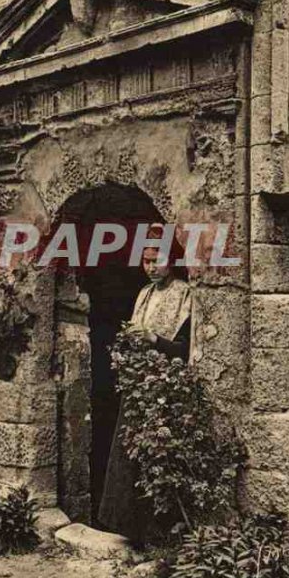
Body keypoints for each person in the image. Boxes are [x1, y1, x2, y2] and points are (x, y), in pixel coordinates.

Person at [98, 231, 192, 544]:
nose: (151, 267)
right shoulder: (144, 294)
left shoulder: (184, 294)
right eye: (146, 260)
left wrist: (154, 339)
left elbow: (185, 348)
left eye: (157, 260)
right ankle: (126, 529)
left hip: (166, 385)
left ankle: (158, 536)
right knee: (128, 453)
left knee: (156, 455)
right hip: (139, 382)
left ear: (172, 261)